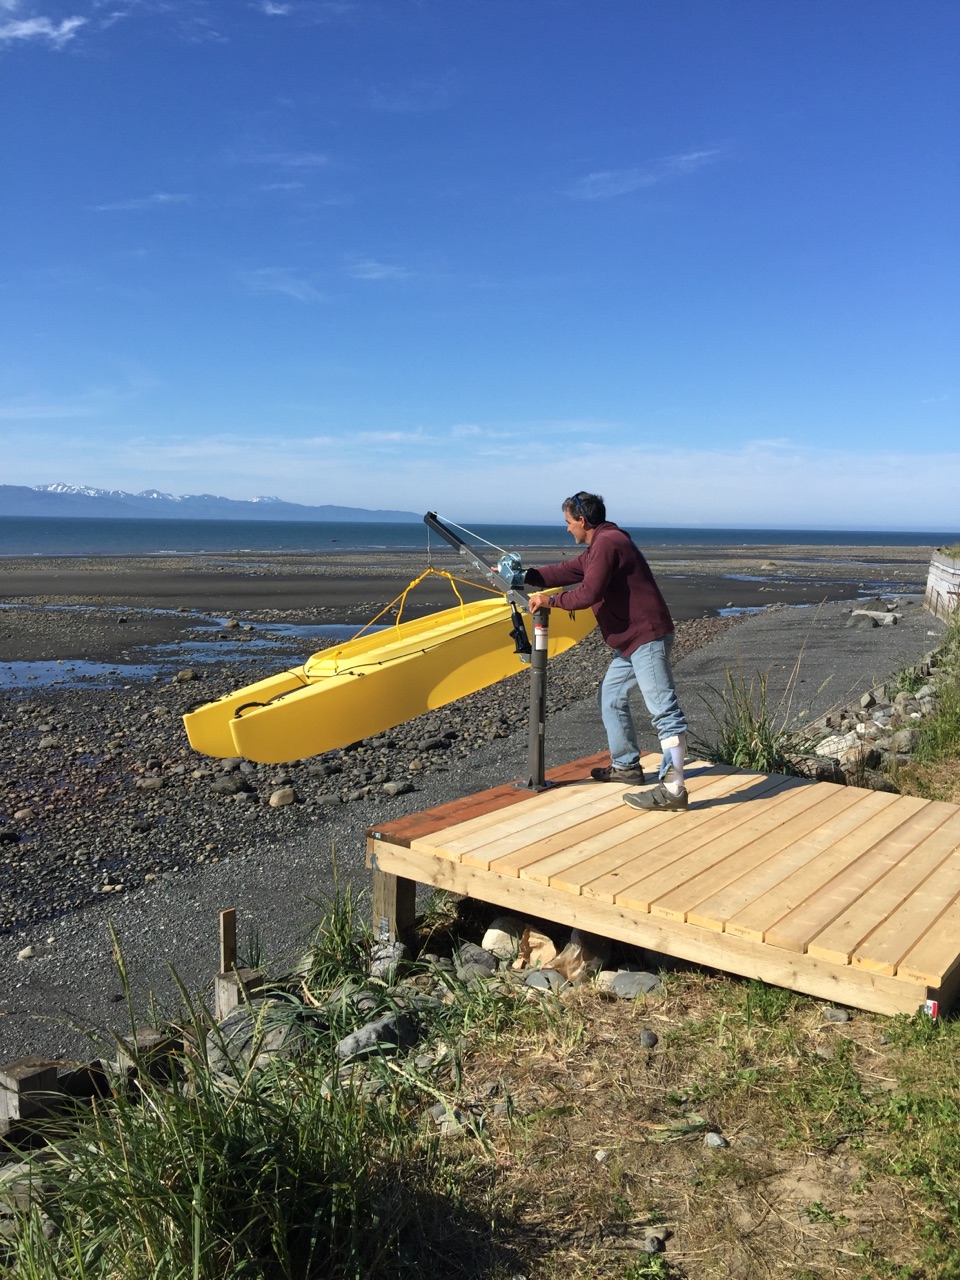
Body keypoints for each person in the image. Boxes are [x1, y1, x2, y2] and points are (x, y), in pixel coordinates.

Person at [524, 491, 689, 811]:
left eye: (568, 523)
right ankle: (626, 766)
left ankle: (673, 790)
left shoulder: (608, 543)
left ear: (582, 520)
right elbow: (567, 571)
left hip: (646, 638)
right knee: (610, 696)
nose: (567, 529)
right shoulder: (601, 544)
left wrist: (550, 601)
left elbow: (588, 592)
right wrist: (525, 576)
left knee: (665, 713)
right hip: (631, 641)